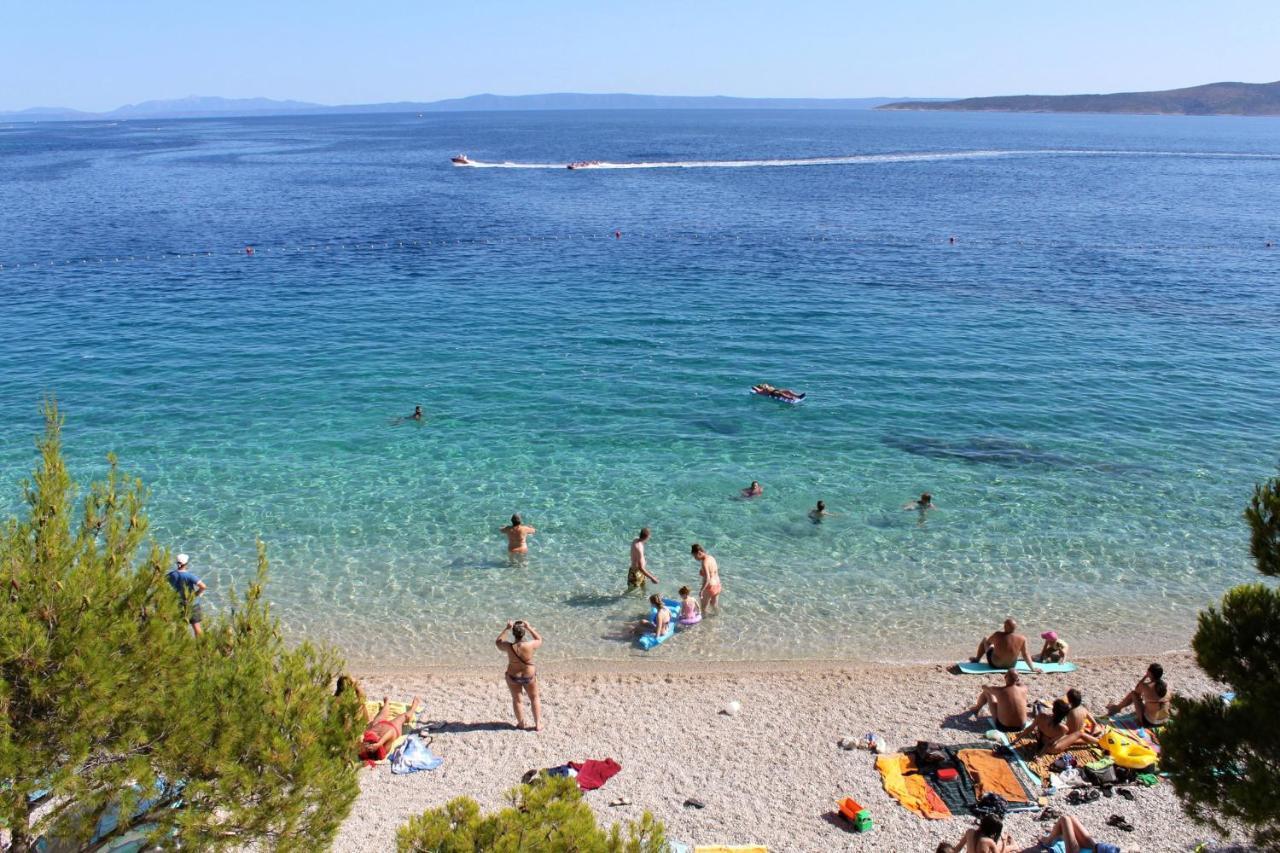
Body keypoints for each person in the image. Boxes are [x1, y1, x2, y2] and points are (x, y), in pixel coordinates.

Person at [497, 619, 543, 731]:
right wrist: (529, 627)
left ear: (513, 633)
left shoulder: (508, 646)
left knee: (517, 700)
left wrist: (506, 628)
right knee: (534, 698)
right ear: (524, 633)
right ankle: (537, 724)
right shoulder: (530, 645)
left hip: (513, 676)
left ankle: (521, 723)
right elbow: (539, 639)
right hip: (529, 676)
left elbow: (498, 642)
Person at [1106, 662, 1171, 726]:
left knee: (1133, 694)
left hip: (1150, 722)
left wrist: (1145, 676)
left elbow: (1136, 689)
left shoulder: (1146, 686)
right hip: (1165, 720)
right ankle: (1117, 708)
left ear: (1150, 673)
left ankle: (1117, 708)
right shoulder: (1165, 686)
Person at [360, 695, 422, 762]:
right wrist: (380, 743)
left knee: (381, 715)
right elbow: (391, 732)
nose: (365, 746)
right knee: (405, 716)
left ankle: (387, 703)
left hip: (378, 724)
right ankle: (413, 708)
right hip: (393, 727)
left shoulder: (366, 742)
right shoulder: (384, 750)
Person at [971, 618, 1038, 672]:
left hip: (995, 664)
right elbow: (1025, 654)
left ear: (1005, 626)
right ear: (1015, 627)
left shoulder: (997, 634)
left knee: (985, 639)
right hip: (1011, 666)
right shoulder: (1022, 638)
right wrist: (1032, 668)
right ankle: (979, 658)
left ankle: (977, 659)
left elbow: (988, 642)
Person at [167, 553, 207, 637]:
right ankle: (200, 646)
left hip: (179, 603)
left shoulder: (171, 575)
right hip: (192, 604)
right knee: (196, 627)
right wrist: (196, 594)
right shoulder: (189, 576)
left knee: (180, 627)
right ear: (186, 564)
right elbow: (203, 586)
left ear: (177, 563)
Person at [1036, 814, 1121, 853]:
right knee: (1071, 818)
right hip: (1092, 848)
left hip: (1074, 851)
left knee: (1065, 819)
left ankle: (1048, 841)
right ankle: (1057, 833)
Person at [936, 814, 1015, 852]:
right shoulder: (989, 841)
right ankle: (1013, 846)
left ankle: (1012, 845)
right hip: (990, 845)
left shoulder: (970, 832)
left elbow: (959, 847)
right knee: (999, 847)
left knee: (997, 845)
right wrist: (1004, 843)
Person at [692, 543, 722, 615]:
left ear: (699, 553)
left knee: (703, 608)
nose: (695, 559)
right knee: (714, 605)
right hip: (718, 585)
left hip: (710, 587)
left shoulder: (704, 562)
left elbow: (708, 578)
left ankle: (704, 621)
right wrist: (703, 572)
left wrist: (701, 590)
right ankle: (717, 617)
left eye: (695, 556)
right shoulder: (711, 558)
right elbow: (714, 571)